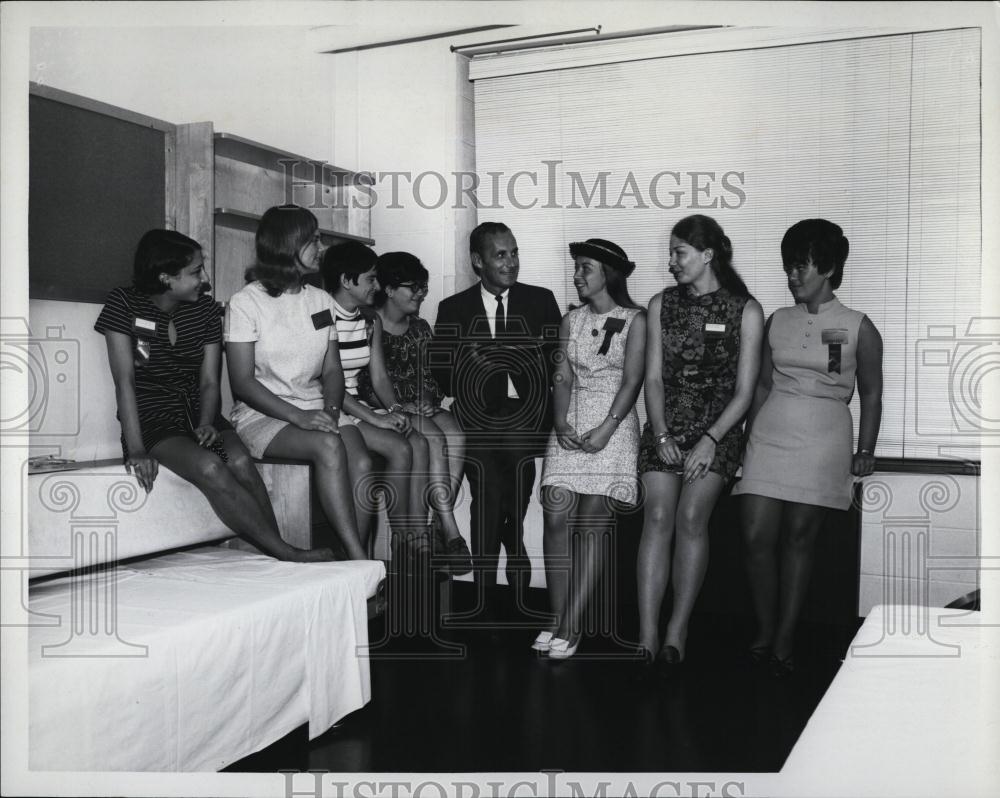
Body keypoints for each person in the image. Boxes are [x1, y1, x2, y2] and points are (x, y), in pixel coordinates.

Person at [96, 228, 334, 562]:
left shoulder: (205, 309)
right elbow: (125, 383)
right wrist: (136, 450)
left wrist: (207, 422)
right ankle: (286, 552)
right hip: (153, 419)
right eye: (196, 272)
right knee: (210, 466)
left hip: (198, 414)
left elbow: (209, 381)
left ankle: (277, 551)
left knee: (239, 460)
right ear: (166, 278)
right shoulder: (123, 303)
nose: (205, 279)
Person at [733, 218, 882, 676]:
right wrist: (747, 440)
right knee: (755, 535)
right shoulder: (777, 320)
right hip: (770, 435)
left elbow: (871, 393)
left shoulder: (858, 327)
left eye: (801, 266)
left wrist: (866, 449)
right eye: (788, 266)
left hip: (823, 439)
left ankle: (783, 638)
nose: (792, 275)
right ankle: (764, 627)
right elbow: (761, 386)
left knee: (799, 538)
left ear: (830, 268)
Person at [636, 214, 764, 669]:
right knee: (657, 515)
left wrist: (711, 439)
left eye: (679, 252)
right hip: (666, 427)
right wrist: (661, 433)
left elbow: (745, 392)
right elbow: (653, 379)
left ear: (707, 255)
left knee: (691, 517)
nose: (671, 262)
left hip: (718, 431)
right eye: (671, 253)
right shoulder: (660, 304)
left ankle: (677, 630)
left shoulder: (746, 310)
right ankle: (647, 634)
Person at [432, 222, 563, 621]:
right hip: (478, 419)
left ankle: (492, 578)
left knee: (512, 478)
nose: (511, 263)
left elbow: (558, 366)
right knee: (489, 485)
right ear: (478, 261)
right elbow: (442, 377)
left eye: (514, 253)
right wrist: (476, 367)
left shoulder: (540, 300)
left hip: (526, 416)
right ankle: (500, 571)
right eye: (500, 255)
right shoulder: (453, 308)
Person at [224, 204, 367, 561]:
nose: (321, 247)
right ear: (287, 243)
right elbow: (242, 382)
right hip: (263, 414)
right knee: (329, 446)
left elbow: (332, 370)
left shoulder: (320, 300)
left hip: (316, 407)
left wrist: (330, 410)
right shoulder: (245, 303)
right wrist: (300, 417)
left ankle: (352, 556)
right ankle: (358, 560)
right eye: (313, 239)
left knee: (362, 462)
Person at [536, 239, 646, 659]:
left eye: (586, 268)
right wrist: (560, 421)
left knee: (591, 522)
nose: (577, 275)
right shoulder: (572, 320)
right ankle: (556, 616)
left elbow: (632, 380)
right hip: (572, 420)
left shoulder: (636, 320)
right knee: (554, 511)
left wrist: (606, 428)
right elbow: (562, 376)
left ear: (608, 274)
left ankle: (572, 624)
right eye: (576, 267)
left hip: (612, 425)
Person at [358, 250, 473, 575]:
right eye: (414, 287)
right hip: (385, 407)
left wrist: (427, 398)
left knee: (456, 433)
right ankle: (449, 530)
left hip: (419, 405)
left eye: (424, 286)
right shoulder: (369, 324)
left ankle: (438, 523)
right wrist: (400, 405)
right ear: (389, 289)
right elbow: (365, 381)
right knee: (434, 438)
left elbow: (431, 374)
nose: (421, 293)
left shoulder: (420, 328)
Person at [319, 241, 433, 559]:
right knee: (398, 447)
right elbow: (325, 382)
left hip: (359, 404)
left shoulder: (370, 320)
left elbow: (379, 376)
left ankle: (408, 536)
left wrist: (394, 409)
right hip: (330, 404)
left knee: (416, 441)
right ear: (346, 280)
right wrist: (375, 418)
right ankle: (378, 546)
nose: (378, 286)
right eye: (370, 279)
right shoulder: (321, 316)